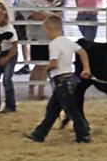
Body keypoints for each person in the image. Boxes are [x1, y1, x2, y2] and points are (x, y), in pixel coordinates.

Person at [23, 14, 92, 144]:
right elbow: (82, 52)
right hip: (70, 79)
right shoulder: (68, 42)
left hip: (61, 81)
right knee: (53, 109)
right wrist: (86, 68)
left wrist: (47, 68)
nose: (46, 34)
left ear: (51, 29)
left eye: (46, 31)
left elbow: (54, 63)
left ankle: (84, 134)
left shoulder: (54, 44)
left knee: (71, 111)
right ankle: (39, 134)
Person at [17, 0, 51, 101]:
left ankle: (41, 91)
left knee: (45, 64)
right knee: (38, 64)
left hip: (47, 34)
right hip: (37, 35)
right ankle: (31, 91)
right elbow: (36, 15)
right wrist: (52, 16)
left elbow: (47, 9)